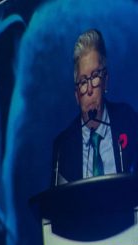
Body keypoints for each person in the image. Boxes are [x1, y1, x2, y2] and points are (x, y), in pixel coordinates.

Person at [53, 29, 138, 186]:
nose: (90, 89)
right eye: (83, 81)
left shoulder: (129, 120)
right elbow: (60, 208)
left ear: (105, 81)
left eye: (95, 77)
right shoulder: (63, 147)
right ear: (77, 95)